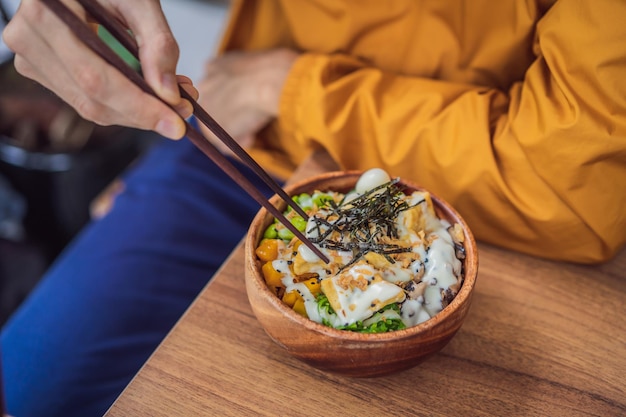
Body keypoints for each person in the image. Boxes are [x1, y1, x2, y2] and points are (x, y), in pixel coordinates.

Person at [2, 0, 625, 415]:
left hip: (481, 189)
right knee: (29, 386)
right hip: (244, 138)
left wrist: (292, 86)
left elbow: (577, 177)